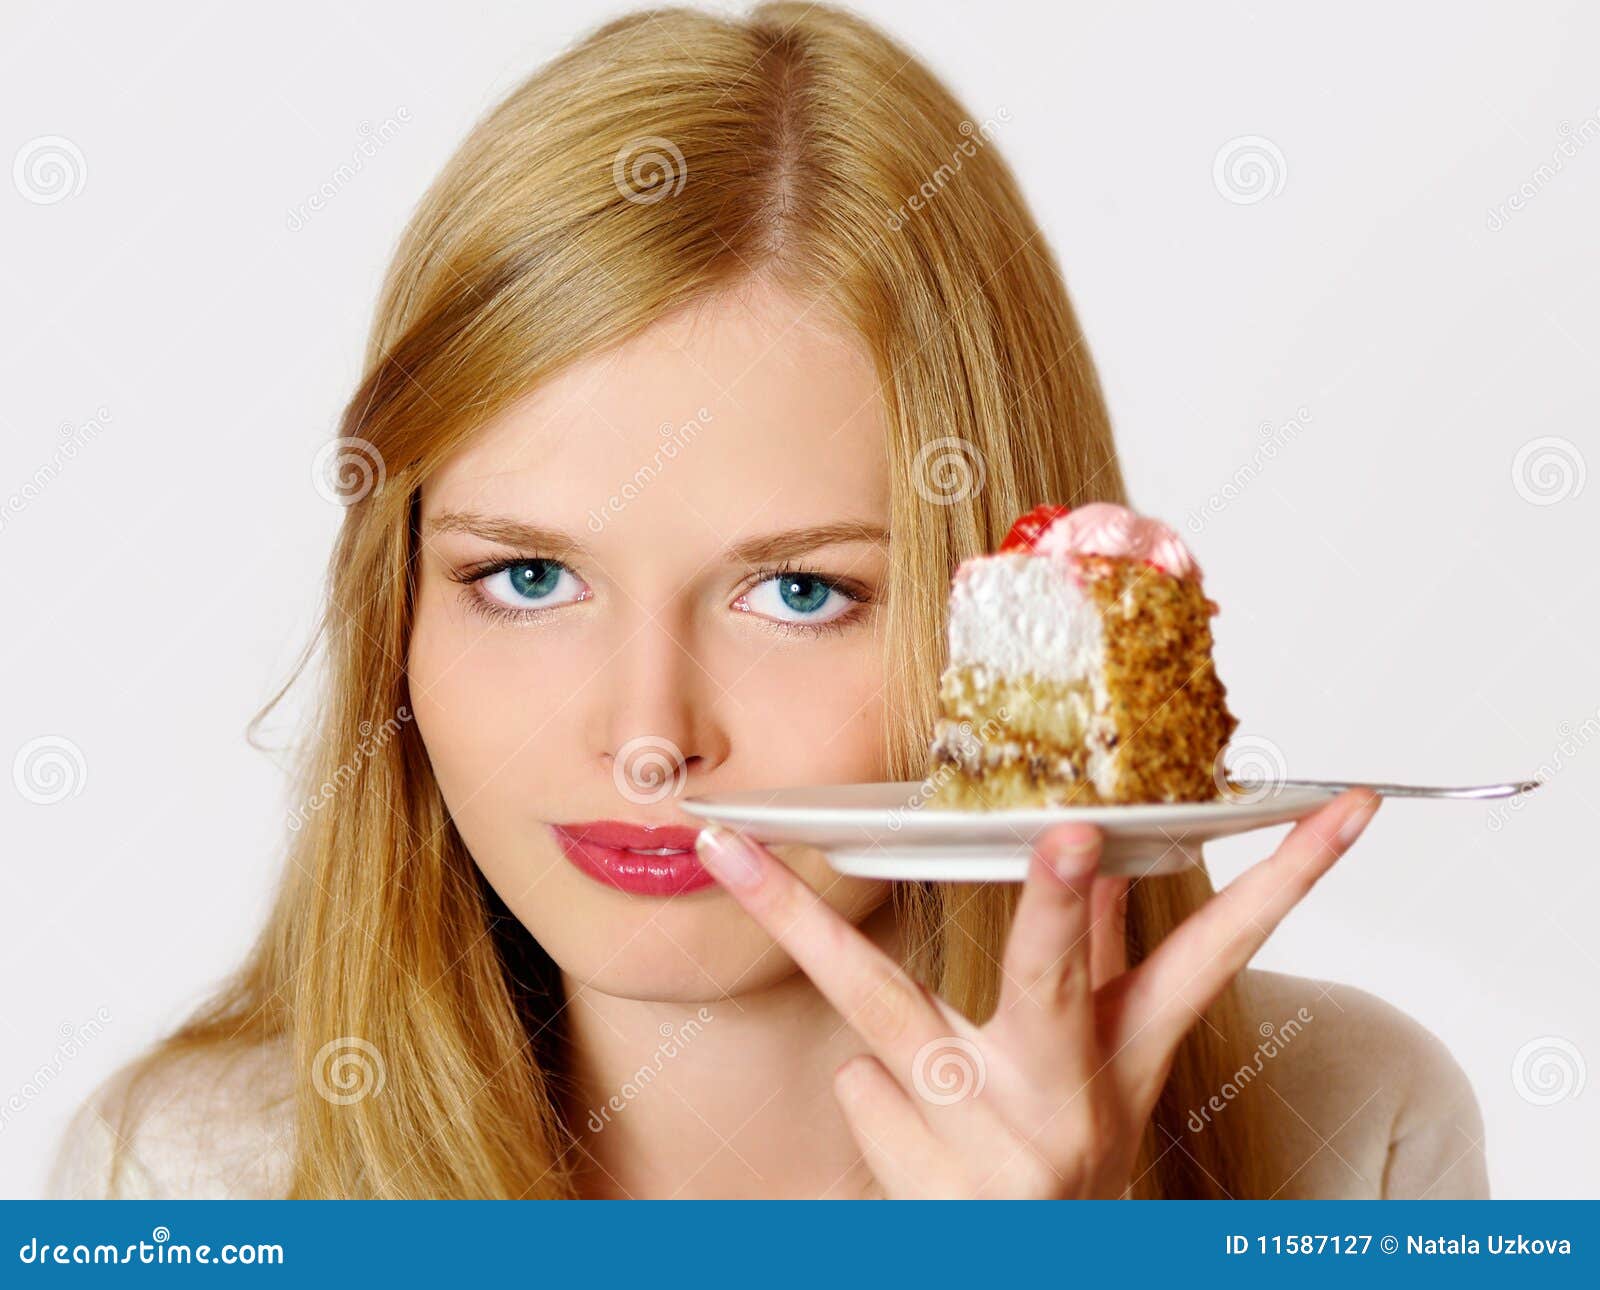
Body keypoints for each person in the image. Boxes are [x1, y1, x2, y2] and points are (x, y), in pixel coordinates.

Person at [47, 1, 1486, 1200]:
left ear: (1008, 629)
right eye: (528, 577)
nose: (649, 737)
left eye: (799, 590)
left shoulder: (1354, 1134)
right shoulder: (180, 1180)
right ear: (398, 613)